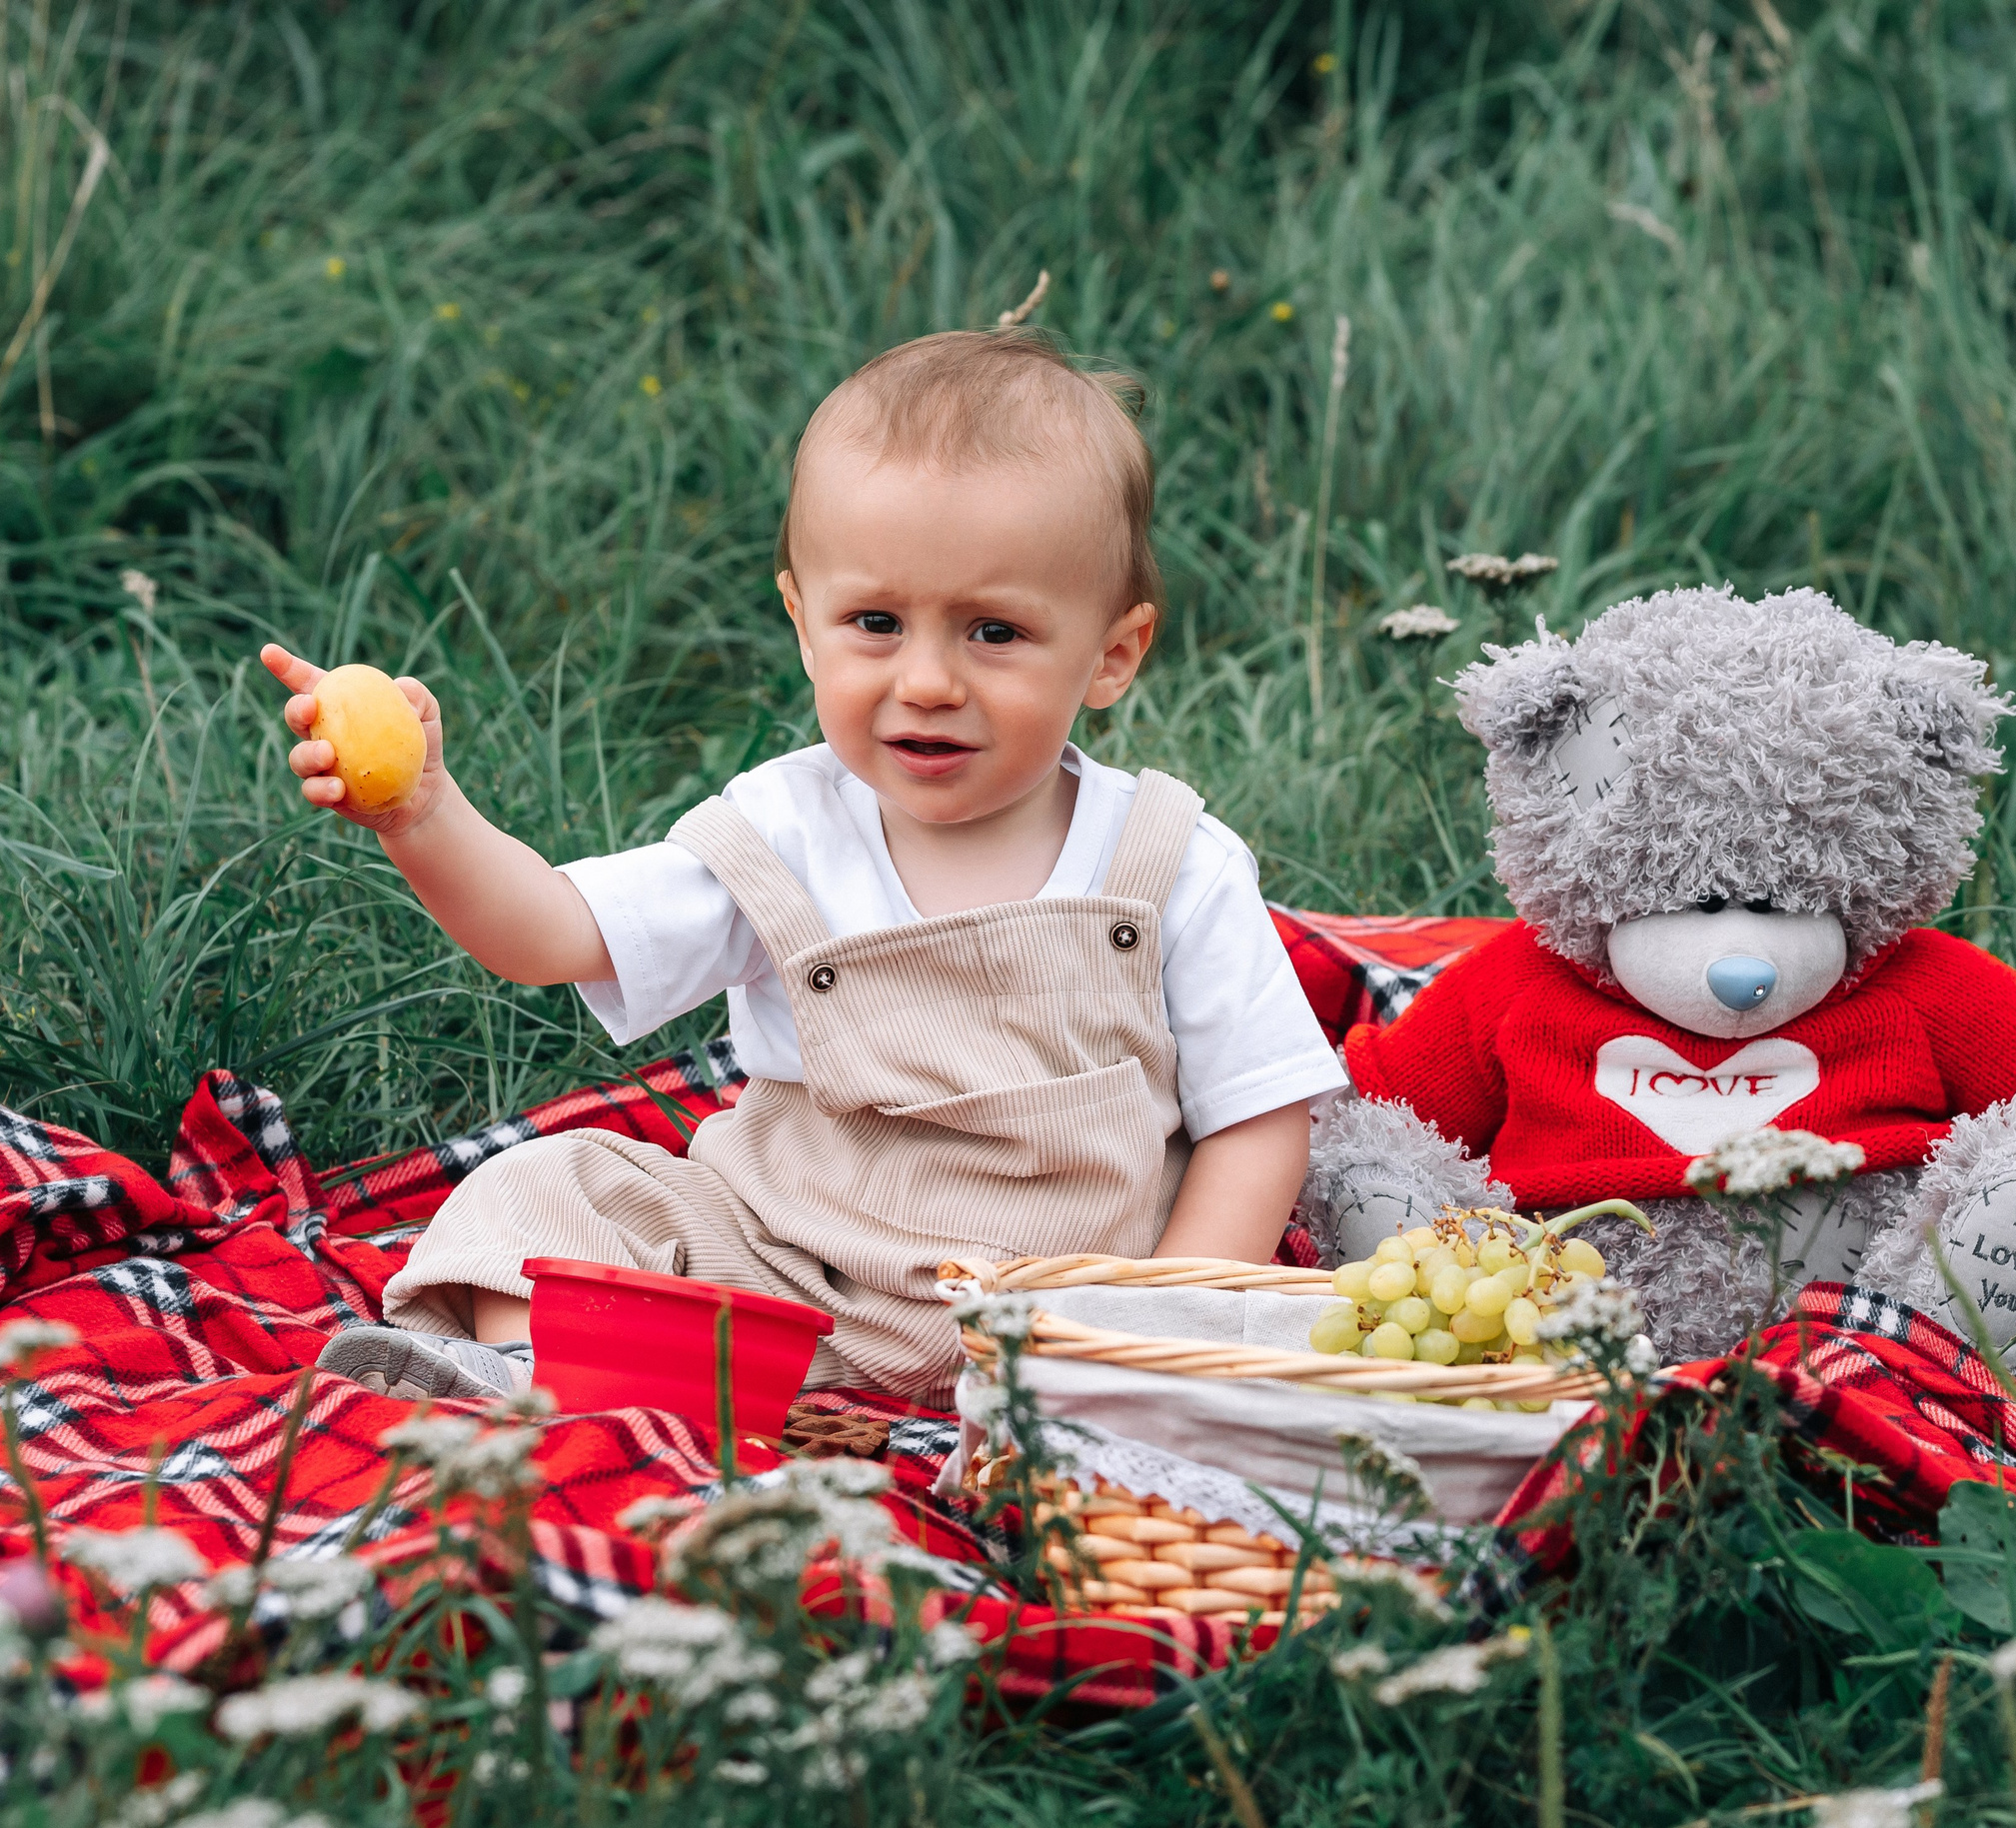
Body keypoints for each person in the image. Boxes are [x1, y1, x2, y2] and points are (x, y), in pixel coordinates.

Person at [264, 329, 1345, 1403]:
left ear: (1111, 654)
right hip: (788, 1283)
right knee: (550, 1182)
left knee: (1293, 1337)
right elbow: (547, 933)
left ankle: (636, 1382)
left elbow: (1258, 1119)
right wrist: (422, 814)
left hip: (1056, 1314)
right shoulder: (783, 830)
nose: (926, 679)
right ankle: (528, 1375)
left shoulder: (1167, 864)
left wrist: (1147, 1330)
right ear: (802, 623)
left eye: (994, 632)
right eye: (875, 622)